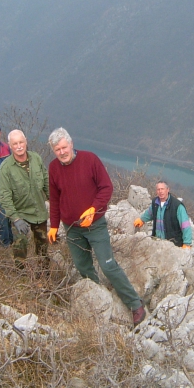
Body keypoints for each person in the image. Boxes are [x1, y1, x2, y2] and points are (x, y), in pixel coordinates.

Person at [47, 127, 146, 326]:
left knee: (108, 265)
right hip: (72, 227)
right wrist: (54, 226)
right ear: (53, 150)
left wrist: (93, 209)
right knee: (83, 266)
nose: (62, 152)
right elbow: (55, 198)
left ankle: (135, 304)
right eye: (57, 149)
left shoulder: (90, 160)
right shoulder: (53, 168)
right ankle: (98, 295)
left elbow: (106, 187)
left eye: (64, 147)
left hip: (95, 225)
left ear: (71, 144)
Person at [0, 129, 50, 270]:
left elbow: (46, 182)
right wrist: (15, 219)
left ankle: (44, 275)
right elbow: (4, 196)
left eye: (21, 142)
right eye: (15, 144)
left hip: (39, 212)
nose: (19, 146)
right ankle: (21, 276)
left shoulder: (36, 159)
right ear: (10, 145)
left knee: (43, 249)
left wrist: (56, 202)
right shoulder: (6, 168)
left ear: (26, 141)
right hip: (21, 214)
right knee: (20, 247)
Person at [133, 180, 193, 248]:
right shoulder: (155, 203)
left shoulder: (177, 206)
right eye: (158, 189)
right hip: (157, 242)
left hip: (173, 245)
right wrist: (141, 219)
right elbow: (150, 213)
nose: (160, 191)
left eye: (162, 189)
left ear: (167, 190)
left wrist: (187, 243)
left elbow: (185, 225)